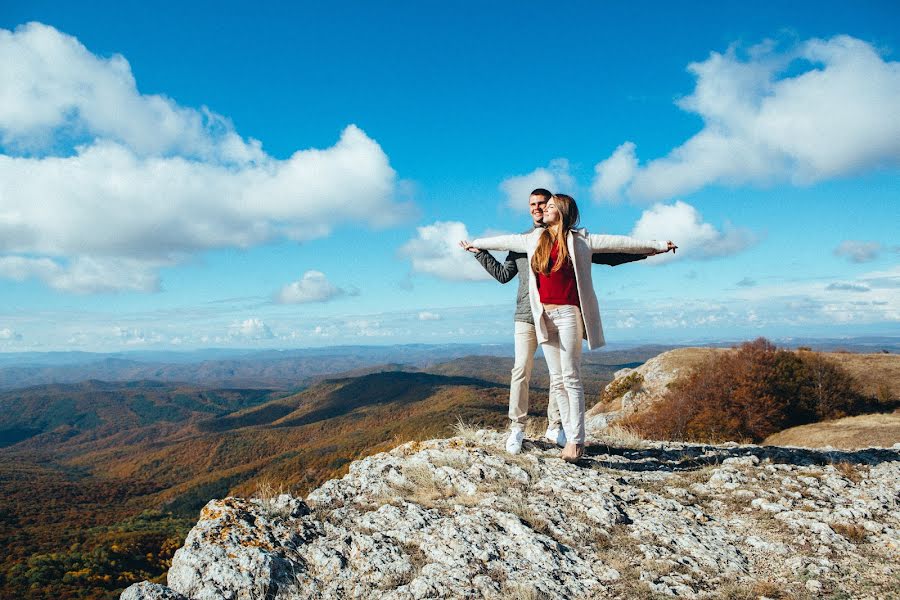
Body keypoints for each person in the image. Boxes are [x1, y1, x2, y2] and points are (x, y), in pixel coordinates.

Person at [461, 194, 675, 461]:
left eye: (548, 205)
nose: (541, 209)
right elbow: (502, 254)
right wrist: (476, 246)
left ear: (559, 211)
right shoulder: (531, 240)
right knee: (543, 376)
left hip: (567, 314)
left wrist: (656, 247)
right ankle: (541, 432)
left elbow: (618, 245)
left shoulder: (579, 240)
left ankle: (570, 437)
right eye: (538, 205)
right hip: (539, 317)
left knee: (569, 378)